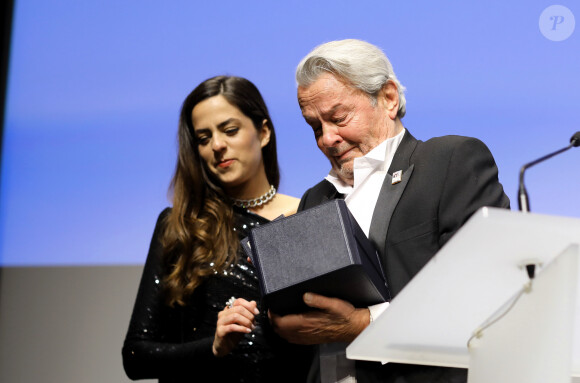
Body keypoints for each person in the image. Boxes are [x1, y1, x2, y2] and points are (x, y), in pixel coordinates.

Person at [269, 39, 510, 383]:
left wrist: (364, 324)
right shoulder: (315, 199)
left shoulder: (449, 161)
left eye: (338, 117)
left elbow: (488, 290)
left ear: (388, 98)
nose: (326, 138)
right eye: (315, 127)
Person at [122, 75, 311, 382]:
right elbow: (136, 356)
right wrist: (213, 346)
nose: (218, 146)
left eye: (230, 130)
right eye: (203, 138)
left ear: (263, 133)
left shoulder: (305, 216)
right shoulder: (180, 226)